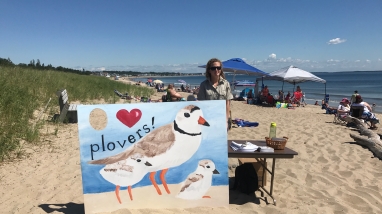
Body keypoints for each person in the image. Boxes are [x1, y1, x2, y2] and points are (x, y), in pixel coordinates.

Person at [197, 58, 233, 130]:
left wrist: (226, 120)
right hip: (208, 118)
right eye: (213, 68)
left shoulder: (226, 84)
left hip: (223, 118)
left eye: (218, 68)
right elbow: (201, 104)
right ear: (209, 70)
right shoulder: (203, 85)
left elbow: (227, 104)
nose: (216, 70)